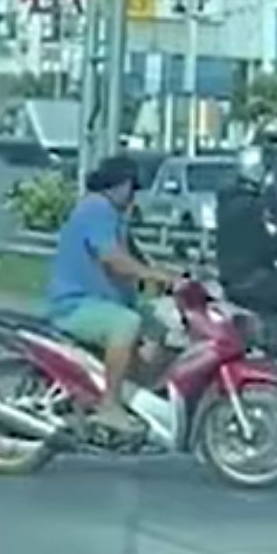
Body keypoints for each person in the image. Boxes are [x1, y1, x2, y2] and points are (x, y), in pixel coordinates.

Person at [47, 154, 178, 433]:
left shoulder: (115, 217)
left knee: (160, 325)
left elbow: (137, 259)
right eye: (133, 190)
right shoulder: (97, 209)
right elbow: (112, 258)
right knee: (126, 323)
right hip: (76, 305)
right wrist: (151, 275)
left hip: (105, 302)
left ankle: (137, 394)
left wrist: (173, 277)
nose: (134, 198)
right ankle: (110, 405)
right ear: (121, 185)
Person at [215, 146, 277, 358]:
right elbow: (264, 246)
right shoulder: (248, 205)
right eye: (267, 170)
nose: (271, 177)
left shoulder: (234, 200)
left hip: (236, 272)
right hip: (247, 275)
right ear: (256, 171)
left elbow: (261, 240)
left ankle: (266, 332)